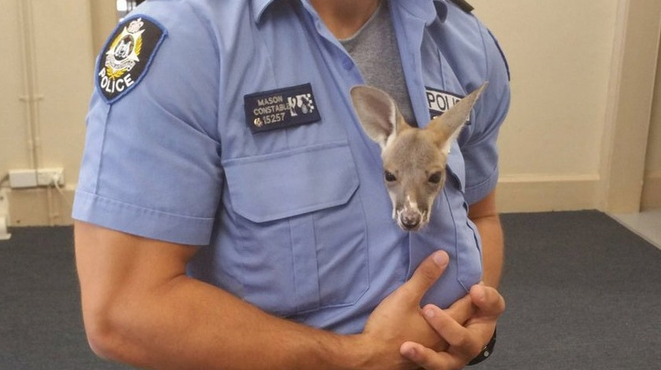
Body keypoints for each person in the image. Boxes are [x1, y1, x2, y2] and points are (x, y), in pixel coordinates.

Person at [73, 0, 511, 369]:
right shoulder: (185, 40)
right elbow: (124, 309)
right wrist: (356, 357)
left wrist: (468, 322)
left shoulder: (462, 40)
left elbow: (479, 216)